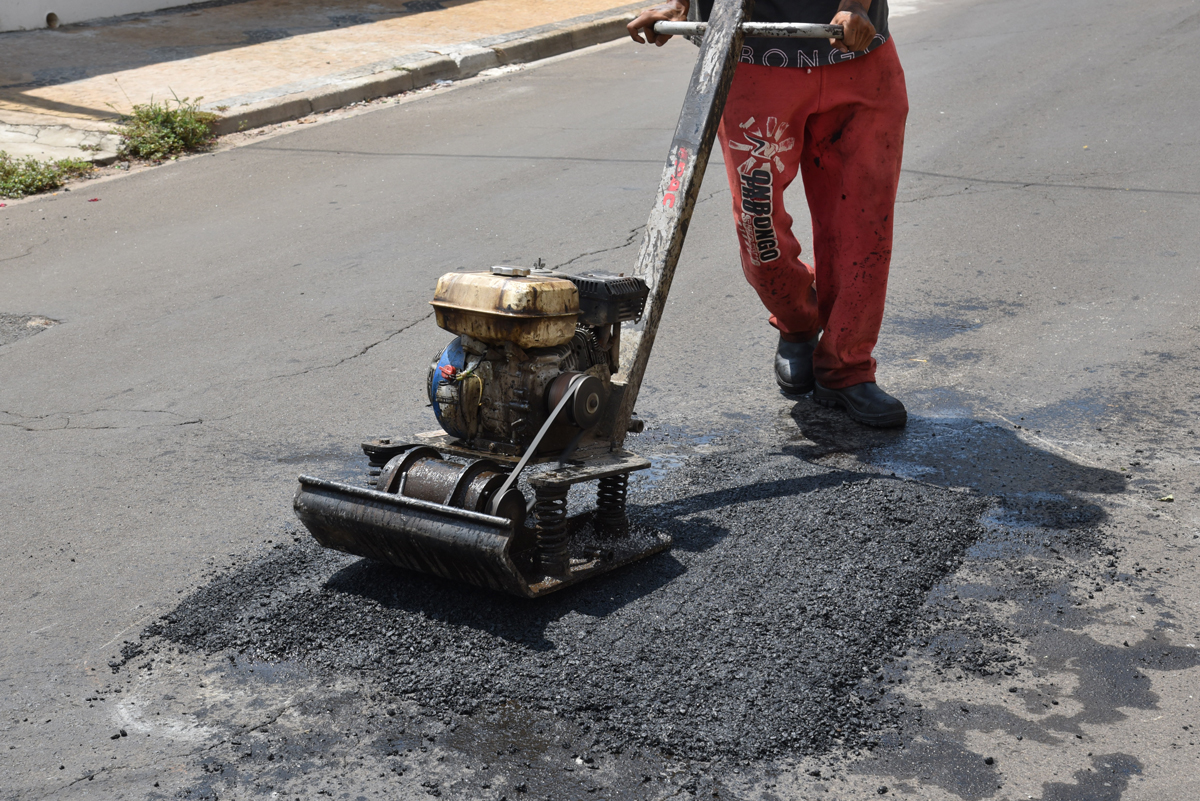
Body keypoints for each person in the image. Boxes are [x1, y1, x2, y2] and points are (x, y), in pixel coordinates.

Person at [628, 0, 909, 428]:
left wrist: (855, 5)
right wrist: (680, 6)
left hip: (858, 55)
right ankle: (798, 321)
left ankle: (846, 367)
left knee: (862, 230)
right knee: (760, 228)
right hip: (753, 55)